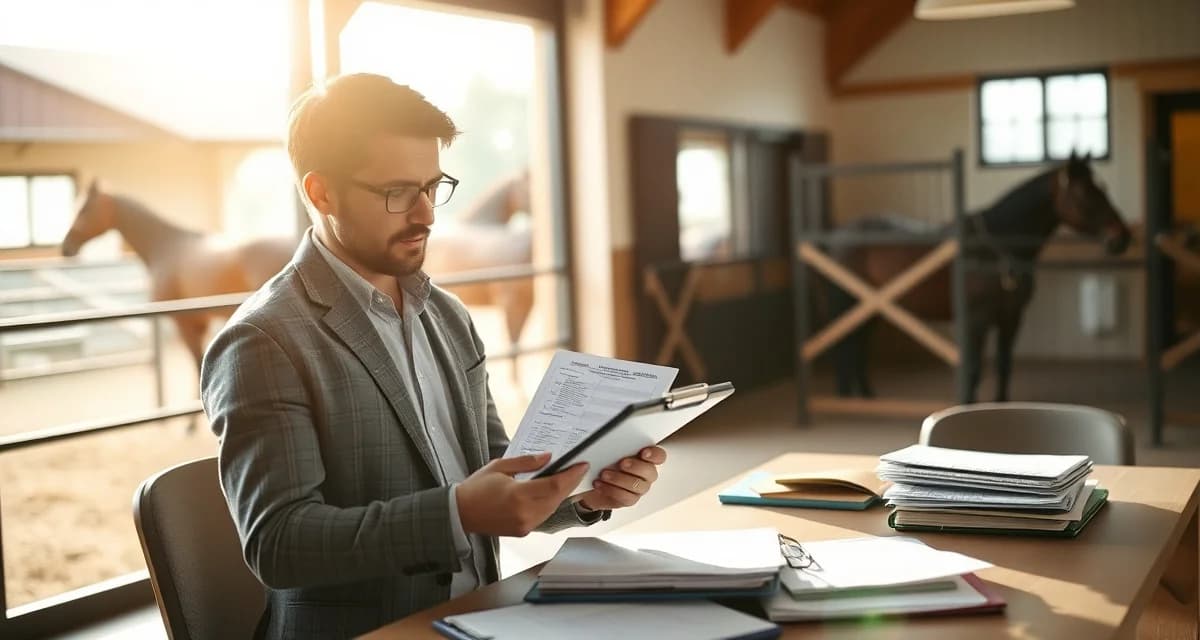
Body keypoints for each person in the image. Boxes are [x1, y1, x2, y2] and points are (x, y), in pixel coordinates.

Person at [200, 73, 667, 640]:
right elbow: (279, 544)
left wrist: (585, 495)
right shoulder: (263, 340)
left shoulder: (446, 314)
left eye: (433, 185)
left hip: (481, 615)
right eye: (397, 193)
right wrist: (458, 514)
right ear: (320, 193)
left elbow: (495, 465)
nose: (425, 215)